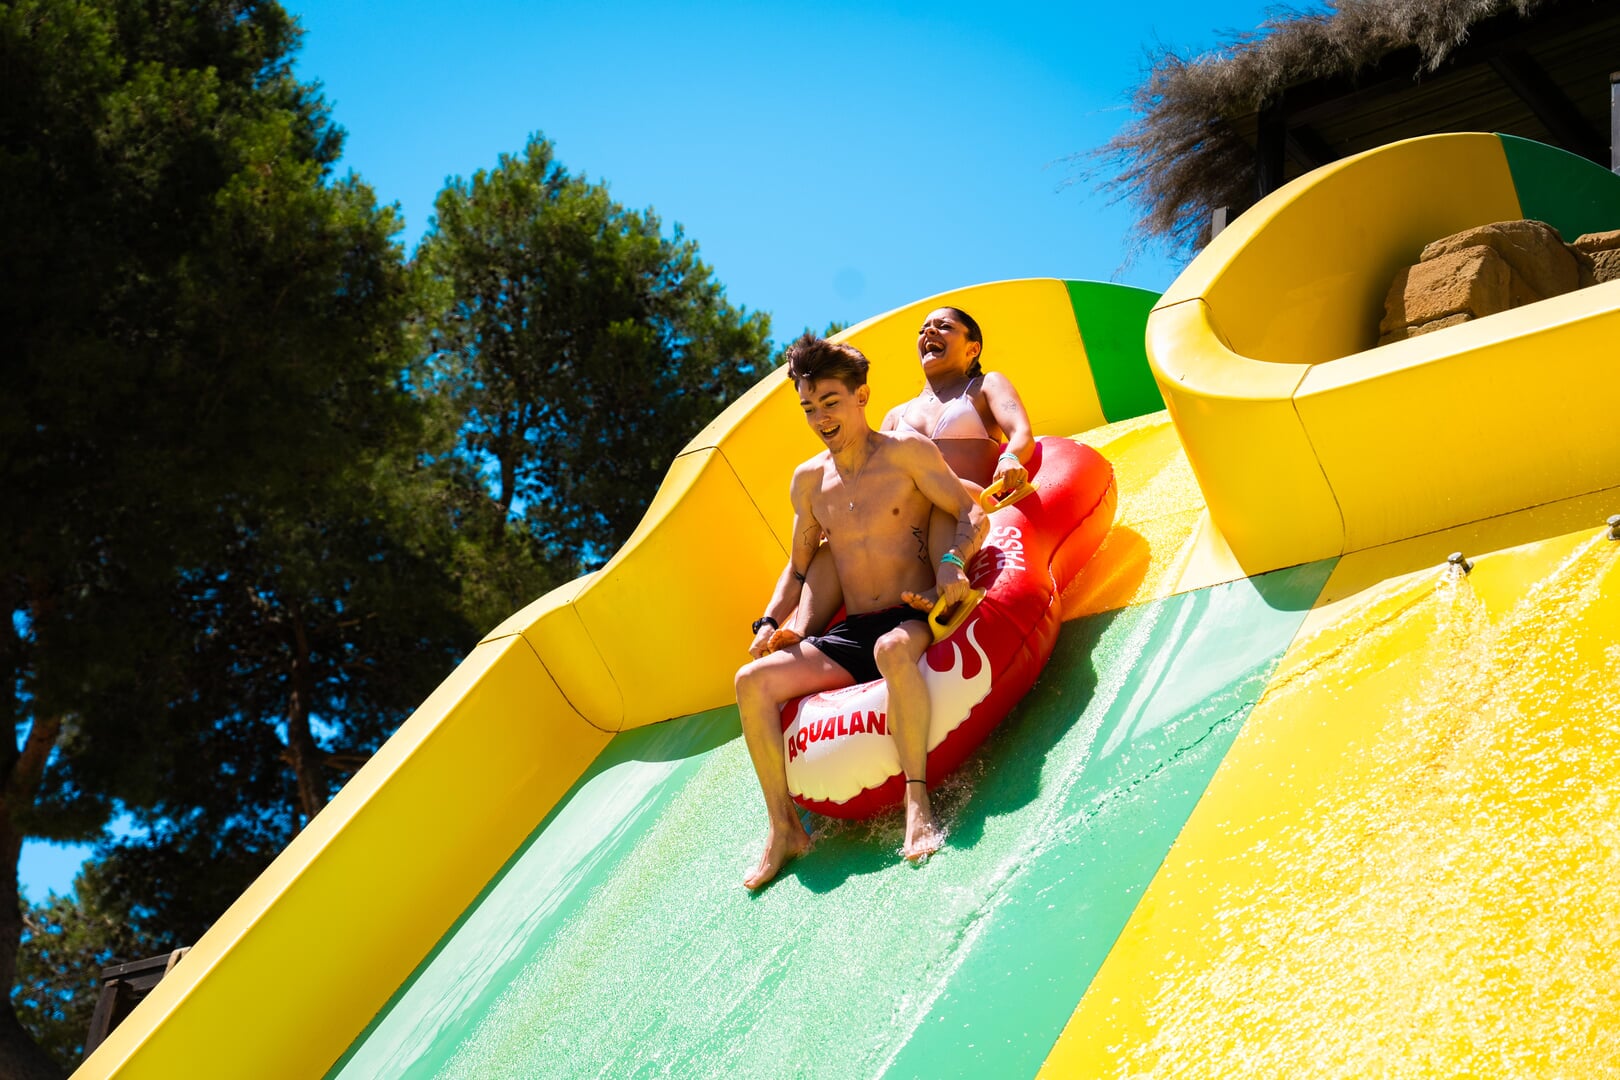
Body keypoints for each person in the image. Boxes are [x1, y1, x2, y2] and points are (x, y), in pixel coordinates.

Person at [734, 333, 985, 889]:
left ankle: (917, 801)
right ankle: (784, 828)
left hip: (911, 613)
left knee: (891, 648)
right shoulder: (809, 482)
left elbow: (970, 512)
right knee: (750, 682)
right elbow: (798, 569)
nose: (820, 418)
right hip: (853, 631)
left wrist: (951, 564)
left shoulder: (905, 453)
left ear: (862, 395)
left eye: (830, 402)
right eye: (808, 408)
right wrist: (770, 622)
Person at [752, 306, 1034, 654]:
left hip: (962, 503)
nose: (929, 332)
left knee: (937, 501)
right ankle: (802, 629)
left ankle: (941, 589)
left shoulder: (984, 385)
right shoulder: (897, 414)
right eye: (923, 329)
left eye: (943, 326)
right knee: (832, 544)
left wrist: (1009, 458)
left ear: (972, 348)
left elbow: (1021, 432)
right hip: (907, 520)